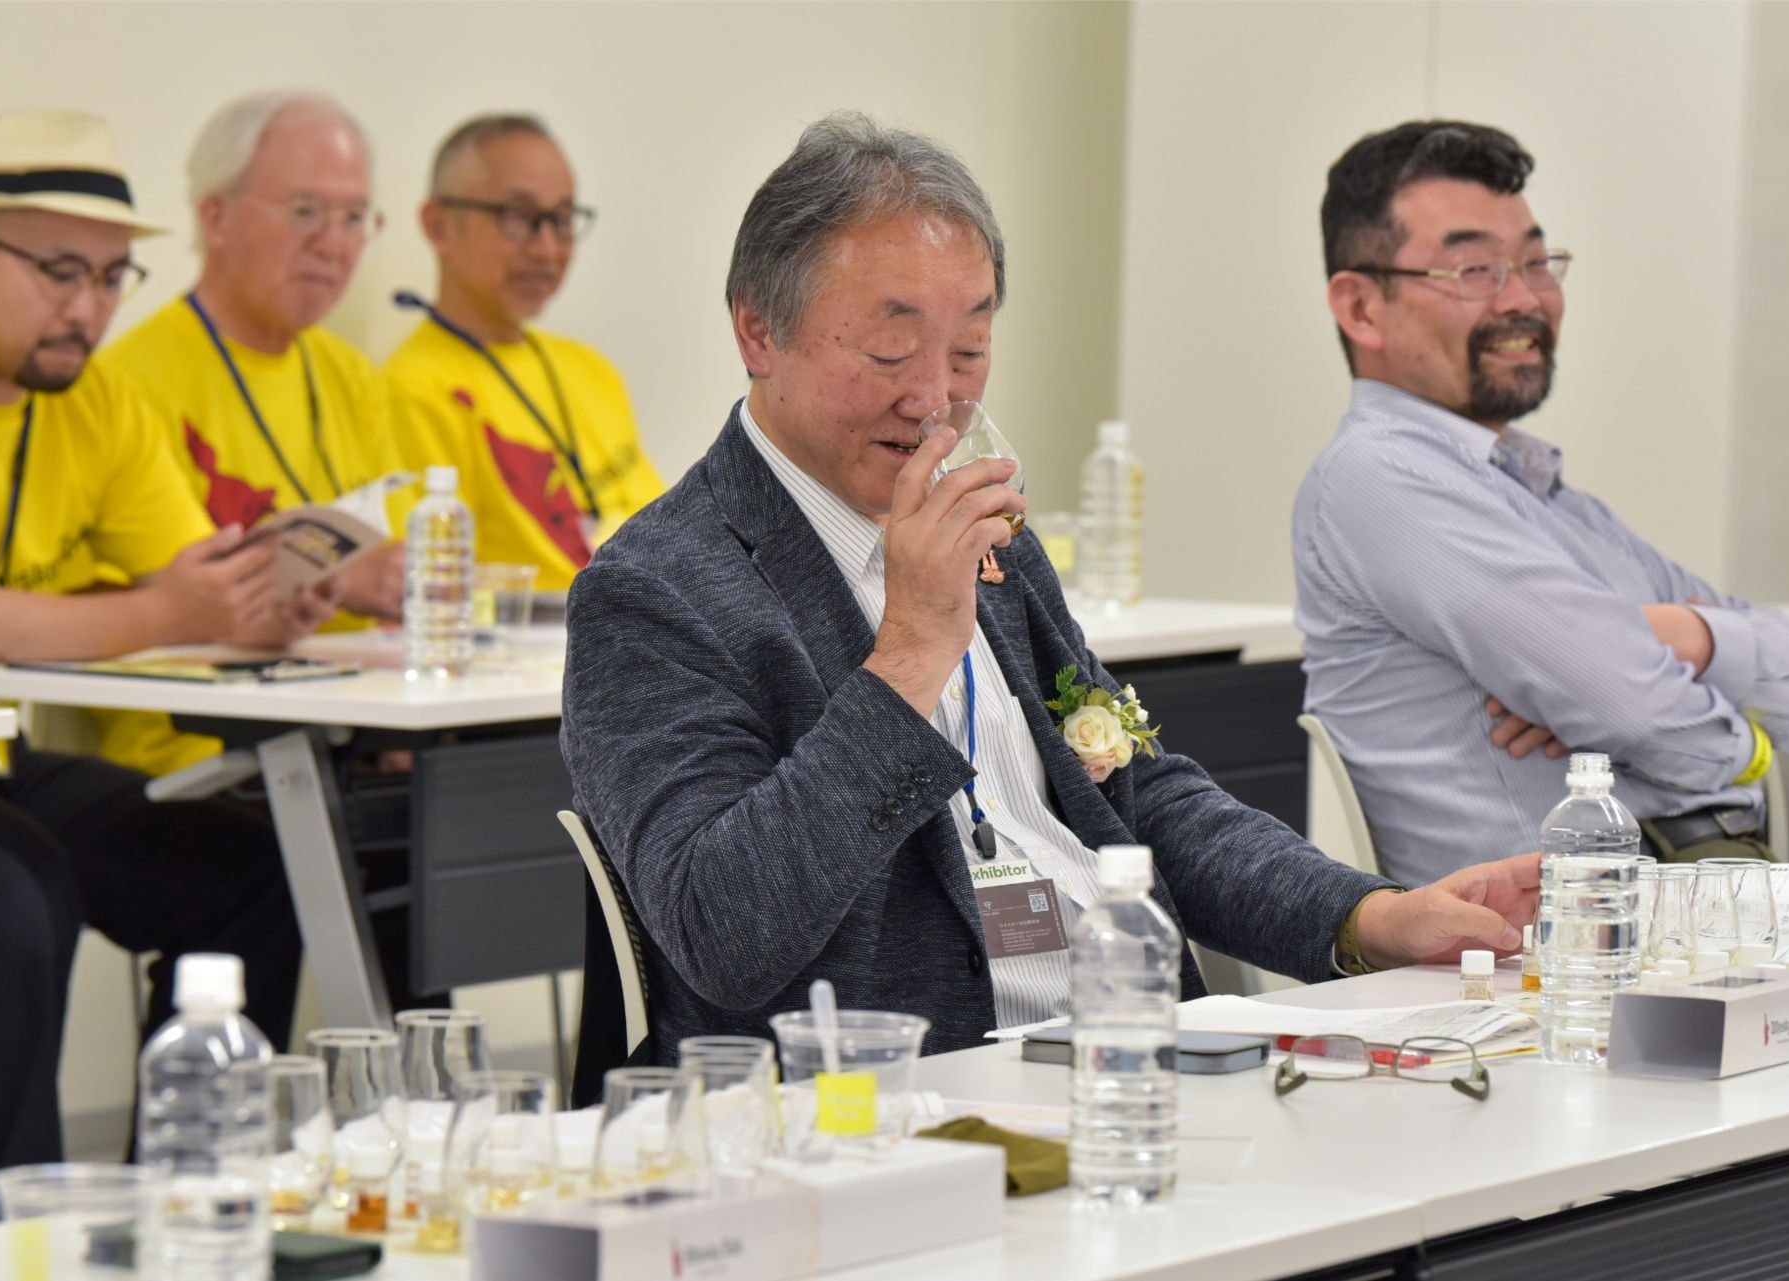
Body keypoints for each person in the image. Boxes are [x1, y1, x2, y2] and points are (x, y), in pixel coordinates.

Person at [561, 113, 1539, 1062]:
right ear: (758, 331)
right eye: (891, 353)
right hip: (901, 1100)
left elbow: (1142, 801)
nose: (937, 400)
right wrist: (909, 654)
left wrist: (1366, 917)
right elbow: (725, 934)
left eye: (970, 352)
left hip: (1123, 1051)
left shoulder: (988, 536)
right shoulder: (657, 592)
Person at [0, 108, 309, 1220]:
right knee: (17, 891)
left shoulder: (98, 404)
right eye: (61, 271)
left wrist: (277, 595)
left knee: (256, 873)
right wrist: (166, 610)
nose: (88, 308)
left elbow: (199, 585)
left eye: (113, 276)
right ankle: (11, 1228)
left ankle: (177, 1206)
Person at [1295, 120, 1789, 885]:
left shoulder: (1540, 491)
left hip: (1697, 900)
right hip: (1564, 938)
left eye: (1537, 263)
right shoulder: (1384, 477)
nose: (1524, 299)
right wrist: (1751, 748)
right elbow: (1633, 709)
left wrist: (1693, 637)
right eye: (1474, 269)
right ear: (1361, 308)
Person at [96, 90, 409, 778]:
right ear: (215, 216)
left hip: (349, 728)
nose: (334, 243)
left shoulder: (351, 377)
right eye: (306, 211)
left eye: (355, 218)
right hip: (199, 754)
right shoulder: (121, 384)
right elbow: (159, 601)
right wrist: (337, 573)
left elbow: (397, 572)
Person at [385, 113, 663, 586]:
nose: (547, 248)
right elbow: (435, 586)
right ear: (439, 225)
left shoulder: (590, 370)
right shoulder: (410, 389)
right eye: (517, 218)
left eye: (562, 220)